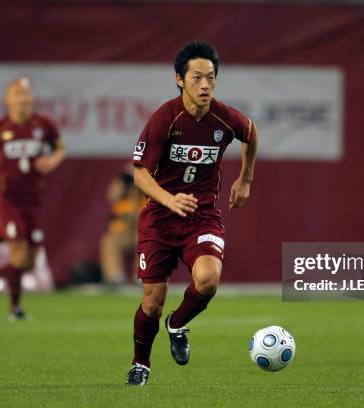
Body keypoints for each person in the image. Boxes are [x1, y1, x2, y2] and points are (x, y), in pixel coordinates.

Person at [125, 42, 257, 385]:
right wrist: (169, 200)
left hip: (202, 215)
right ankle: (141, 364)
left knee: (209, 280)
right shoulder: (165, 119)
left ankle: (177, 324)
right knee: (152, 302)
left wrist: (245, 177)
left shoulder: (223, 117)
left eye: (211, 78)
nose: (205, 85)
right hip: (159, 217)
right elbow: (139, 172)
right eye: (197, 77)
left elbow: (251, 132)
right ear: (180, 80)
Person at [0, 77, 65, 320]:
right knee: (19, 253)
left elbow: (60, 148)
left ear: (31, 98)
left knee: (29, 262)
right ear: (8, 100)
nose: (22, 98)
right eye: (17, 94)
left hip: (34, 199)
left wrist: (52, 160)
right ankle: (15, 309)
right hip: (10, 199)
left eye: (25, 94)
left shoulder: (43, 125)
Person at [99, 164, 145, 285]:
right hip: (124, 235)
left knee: (143, 239)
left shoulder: (146, 197)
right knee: (109, 241)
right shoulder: (122, 199)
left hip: (140, 234)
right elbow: (111, 194)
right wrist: (123, 177)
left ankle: (141, 275)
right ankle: (115, 278)